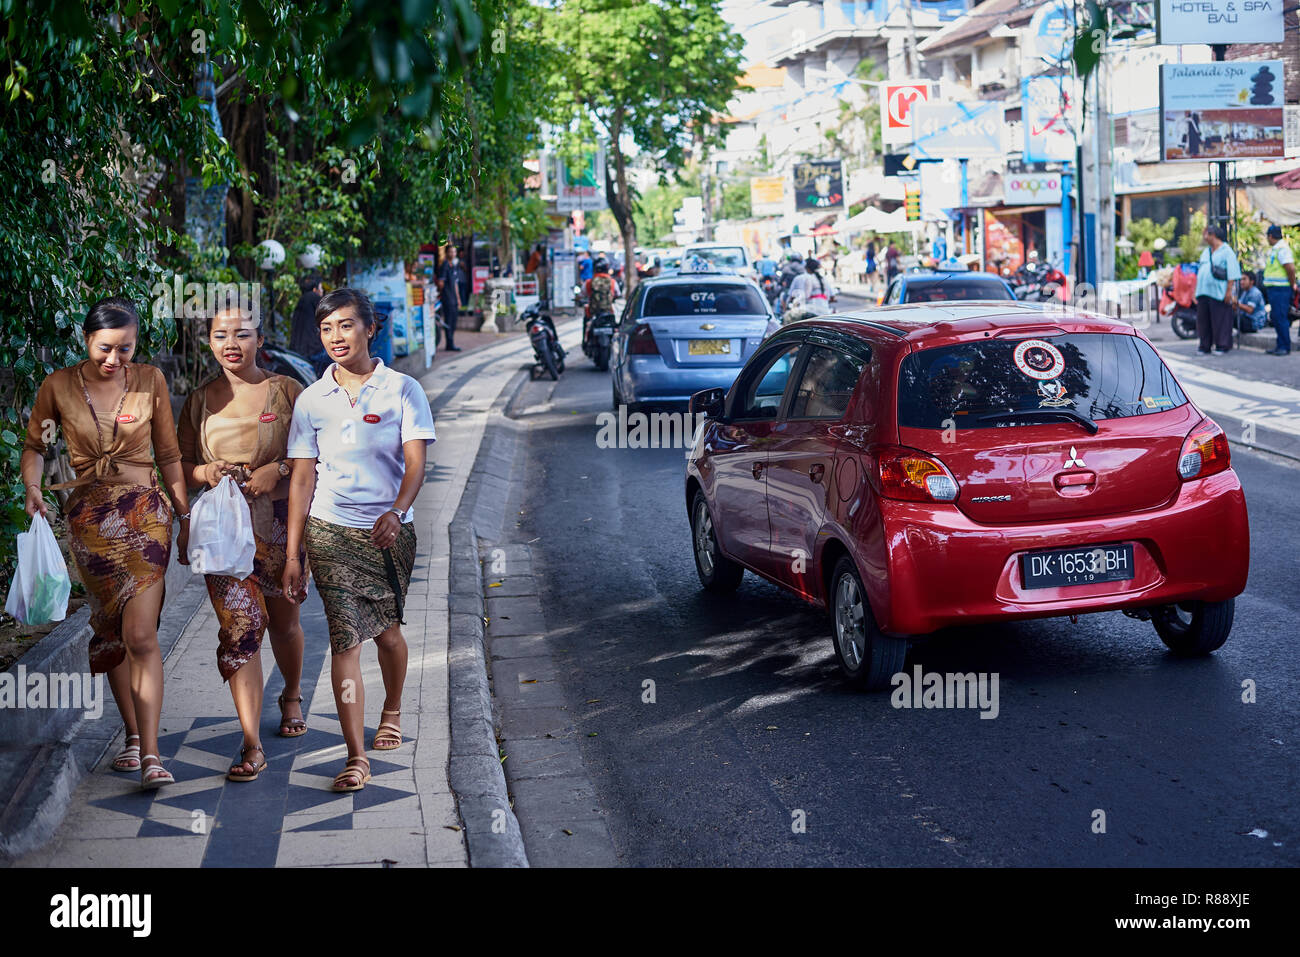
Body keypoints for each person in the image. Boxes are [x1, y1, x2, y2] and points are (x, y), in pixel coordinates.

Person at [21, 298, 192, 789]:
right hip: (90, 524)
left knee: (141, 634)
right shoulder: (57, 387)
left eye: (125, 349)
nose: (115, 359)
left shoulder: (150, 381)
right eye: (105, 349)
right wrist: (34, 486)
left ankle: (152, 754)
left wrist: (184, 516)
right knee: (114, 633)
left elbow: (167, 453)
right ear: (86, 340)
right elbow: (37, 446)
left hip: (146, 517)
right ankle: (133, 736)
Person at [283, 289, 438, 793]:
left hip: (388, 534)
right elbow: (302, 479)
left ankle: (391, 709)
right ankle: (356, 756)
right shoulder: (311, 399)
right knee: (344, 637)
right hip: (328, 530)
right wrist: (293, 552)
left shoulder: (402, 390)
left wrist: (396, 511)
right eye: (326, 329)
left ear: (370, 329)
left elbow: (415, 464)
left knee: (388, 632)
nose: (335, 338)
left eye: (345, 326)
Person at [177, 304, 307, 782]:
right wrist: (204, 473)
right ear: (208, 342)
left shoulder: (287, 391)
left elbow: (315, 454)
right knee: (241, 629)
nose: (231, 343)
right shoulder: (198, 400)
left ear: (259, 339)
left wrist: (283, 468)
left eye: (242, 334)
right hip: (223, 534)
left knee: (283, 621)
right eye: (220, 335)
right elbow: (181, 464)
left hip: (278, 524)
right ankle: (251, 743)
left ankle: (291, 694)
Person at [1194, 224, 1241, 356]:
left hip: (1219, 292)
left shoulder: (1227, 251)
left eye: (1206, 234)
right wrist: (1194, 291)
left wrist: (1229, 292)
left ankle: (1222, 345)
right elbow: (1200, 271)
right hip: (1203, 291)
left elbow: (1232, 273)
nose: (1204, 237)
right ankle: (1205, 346)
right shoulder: (1206, 251)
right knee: (1203, 320)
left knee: (1220, 320)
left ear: (1213, 235)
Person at [1263, 224, 1298, 356]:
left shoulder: (1282, 249)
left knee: (1280, 317)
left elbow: (1290, 268)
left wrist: (1292, 284)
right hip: (1275, 289)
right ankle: (1280, 345)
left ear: (1271, 236)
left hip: (1281, 289)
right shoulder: (1277, 249)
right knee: (1276, 317)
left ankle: (1284, 346)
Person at [436, 246, 467, 352]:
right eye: (450, 252)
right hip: (447, 298)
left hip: (454, 298)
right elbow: (440, 283)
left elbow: (455, 284)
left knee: (453, 321)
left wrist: (458, 298)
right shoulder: (445, 265)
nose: (453, 253)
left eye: (454, 252)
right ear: (446, 253)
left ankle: (451, 343)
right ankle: (449, 344)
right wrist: (442, 294)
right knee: (449, 321)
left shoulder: (453, 266)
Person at [288, 273, 324, 364]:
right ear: (315, 289)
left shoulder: (301, 300)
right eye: (321, 288)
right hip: (312, 351)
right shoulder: (314, 297)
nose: (322, 291)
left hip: (296, 351)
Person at [584, 256, 617, 349]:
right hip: (608, 311)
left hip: (593, 312)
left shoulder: (589, 282)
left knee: (586, 322)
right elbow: (617, 293)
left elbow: (582, 294)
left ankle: (585, 342)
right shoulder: (613, 282)